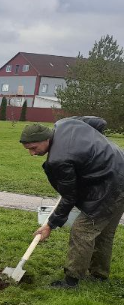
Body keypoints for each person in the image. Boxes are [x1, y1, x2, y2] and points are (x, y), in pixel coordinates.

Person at [21, 118, 124, 288]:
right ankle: (99, 275)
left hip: (110, 187)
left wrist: (50, 225)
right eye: (28, 149)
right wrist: (96, 150)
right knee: (104, 233)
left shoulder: (59, 159)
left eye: (34, 148)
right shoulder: (65, 123)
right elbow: (100, 123)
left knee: (82, 230)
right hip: (120, 166)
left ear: (46, 139)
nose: (32, 153)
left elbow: (69, 197)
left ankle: (71, 280)